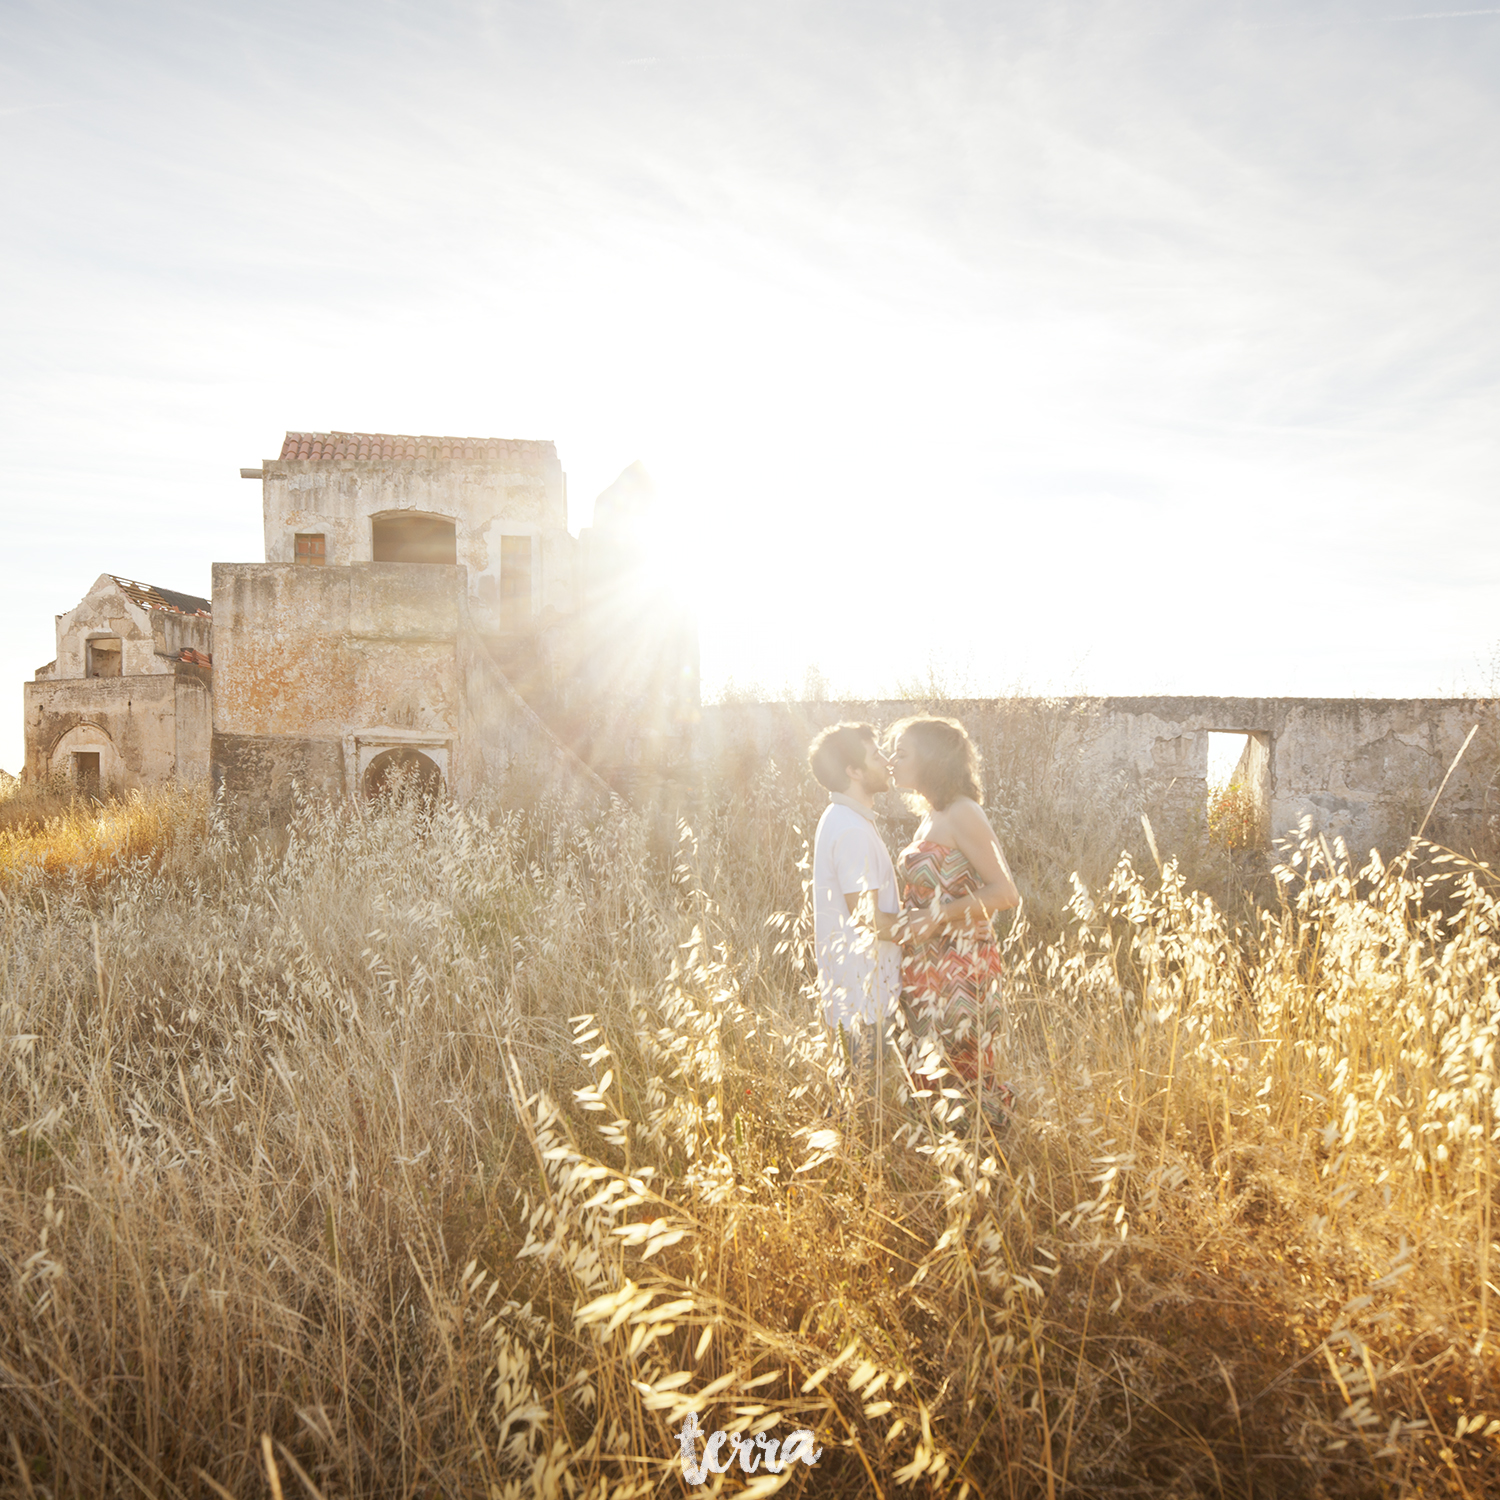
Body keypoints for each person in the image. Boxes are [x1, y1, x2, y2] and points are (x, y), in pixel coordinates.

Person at [888, 715, 1020, 1127]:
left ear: (930, 759)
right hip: (924, 968)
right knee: (930, 1077)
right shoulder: (931, 816)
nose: (891, 760)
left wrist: (936, 917)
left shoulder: (965, 813)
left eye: (902, 752)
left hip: (960, 967)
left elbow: (1005, 893)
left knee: (966, 1076)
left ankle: (993, 1168)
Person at [807, 723, 903, 1088]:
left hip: (861, 996)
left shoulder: (847, 820)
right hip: (866, 1001)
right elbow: (866, 916)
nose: (887, 761)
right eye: (876, 755)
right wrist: (932, 926)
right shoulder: (850, 829)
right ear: (854, 771)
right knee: (870, 1110)